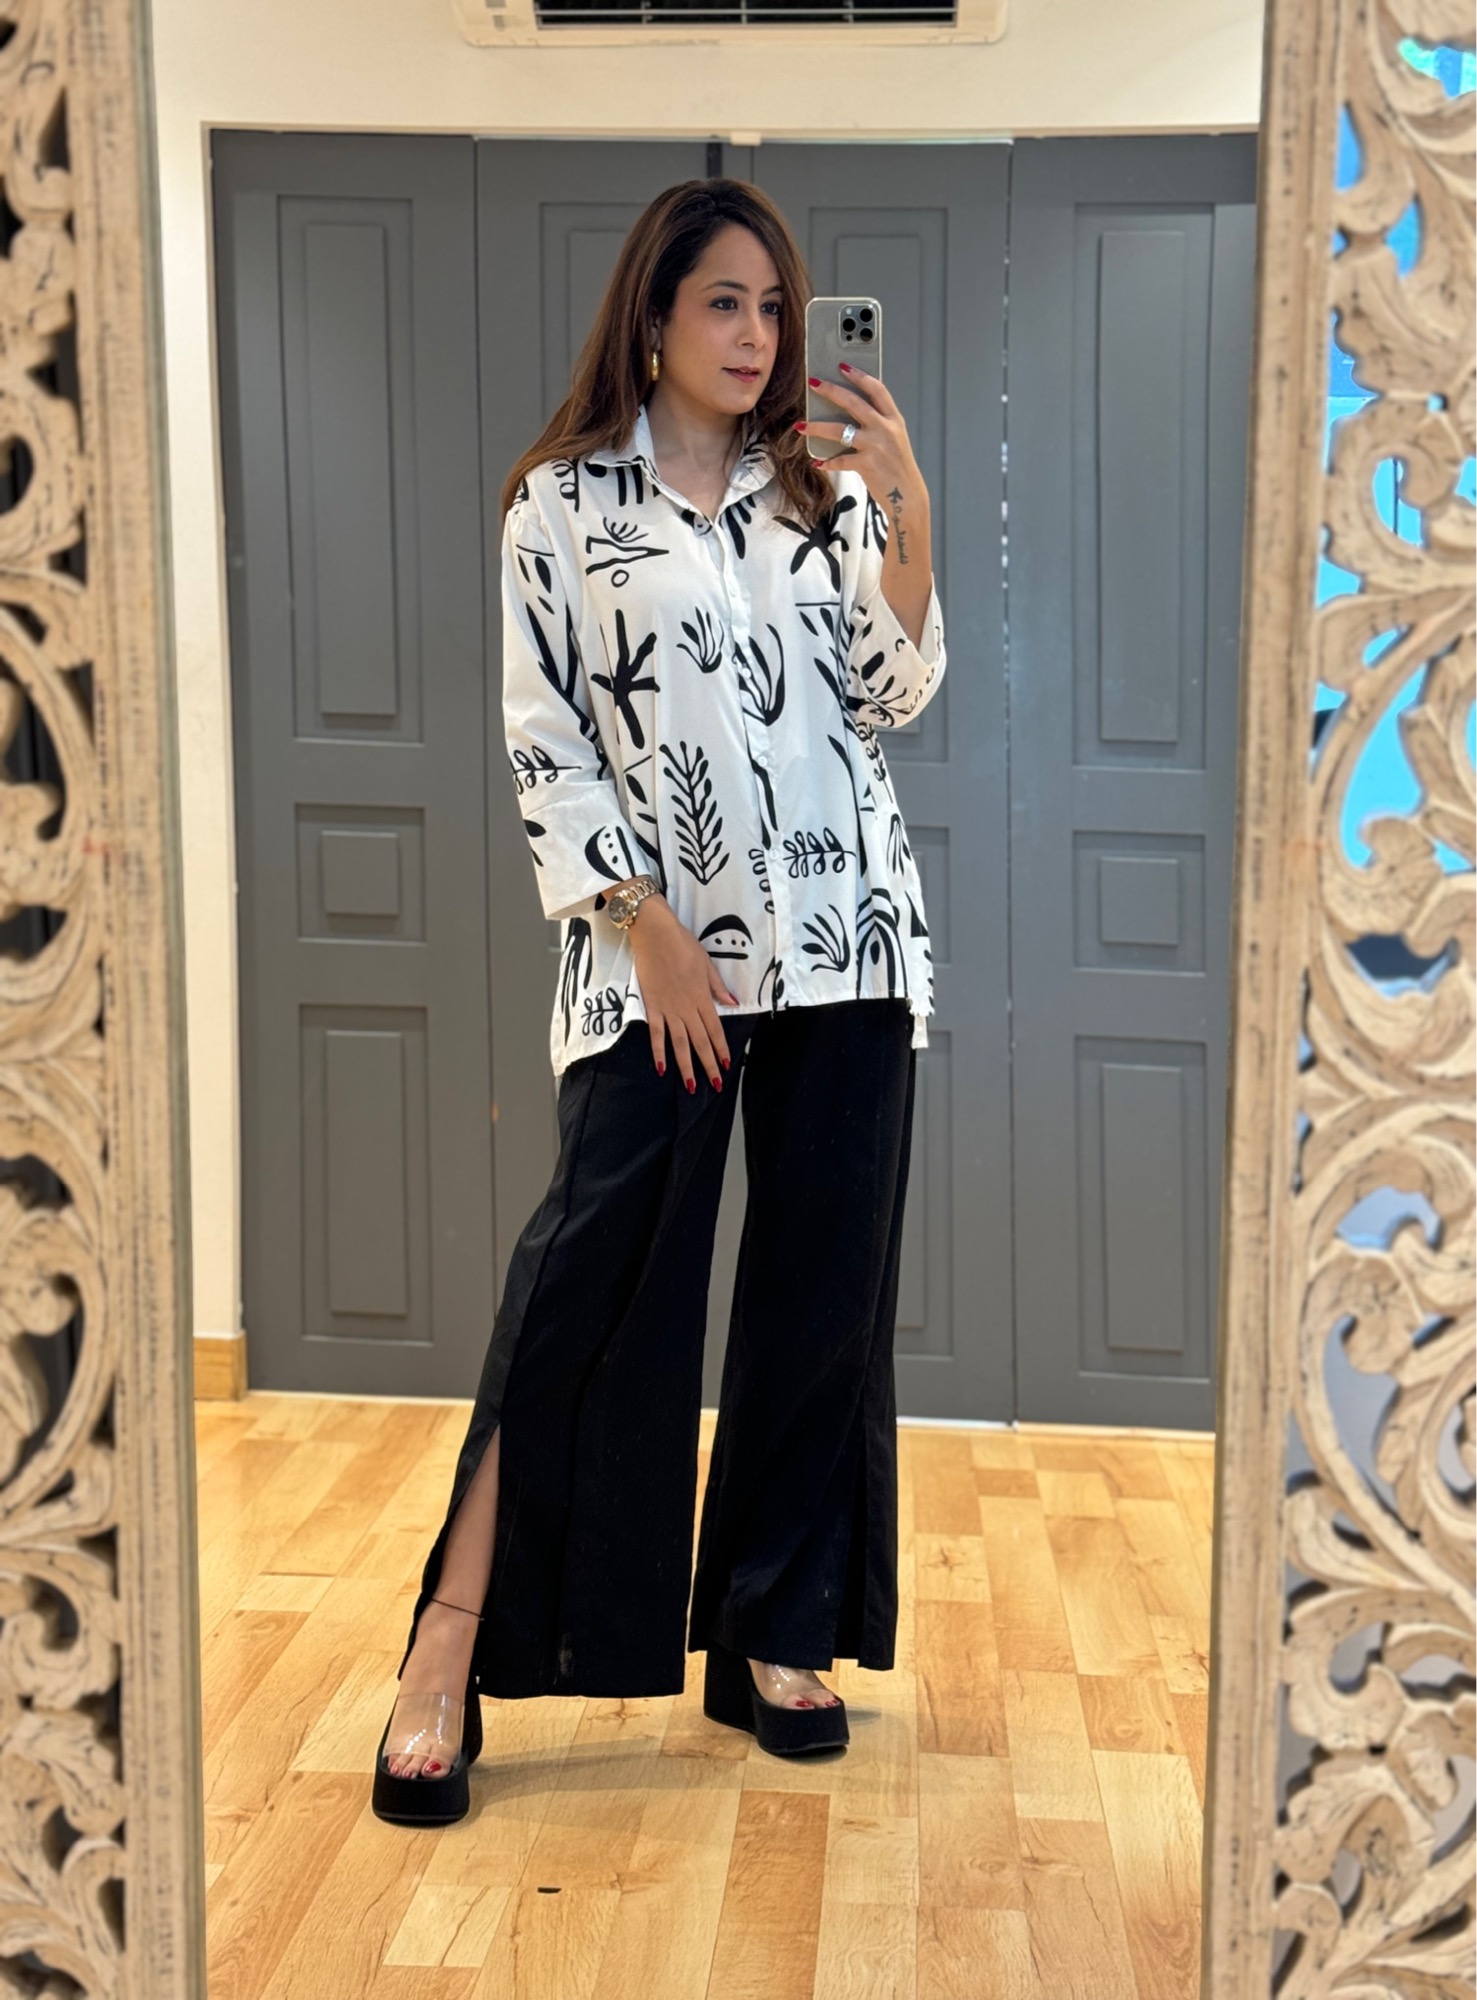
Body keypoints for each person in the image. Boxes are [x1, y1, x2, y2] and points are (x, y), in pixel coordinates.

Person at [371, 177, 946, 1825]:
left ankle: (775, 1632)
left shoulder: (823, 495)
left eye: (775, 307)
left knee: (820, 1301)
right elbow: (543, 739)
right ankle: (449, 1645)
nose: (757, 335)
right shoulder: (558, 507)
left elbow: (891, 695)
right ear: (650, 317)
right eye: (724, 303)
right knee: (584, 1290)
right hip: (659, 962)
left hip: (845, 941)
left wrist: (901, 504)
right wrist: (646, 926)